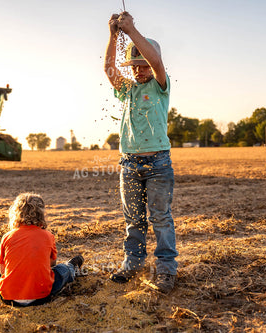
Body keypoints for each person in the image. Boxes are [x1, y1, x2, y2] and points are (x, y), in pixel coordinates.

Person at [104, 12, 178, 293]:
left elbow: (156, 62)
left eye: (143, 65)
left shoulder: (160, 86)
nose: (139, 70)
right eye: (134, 66)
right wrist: (113, 35)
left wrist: (132, 30)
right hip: (129, 163)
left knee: (160, 217)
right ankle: (133, 262)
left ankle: (166, 269)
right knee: (133, 219)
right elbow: (109, 69)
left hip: (158, 162)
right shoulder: (127, 90)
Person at [0, 193, 83, 306]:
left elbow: (3, 271)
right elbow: (51, 265)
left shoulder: (7, 237)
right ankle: (71, 267)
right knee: (62, 269)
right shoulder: (48, 236)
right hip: (42, 296)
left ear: (15, 214)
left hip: (9, 298)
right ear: (41, 214)